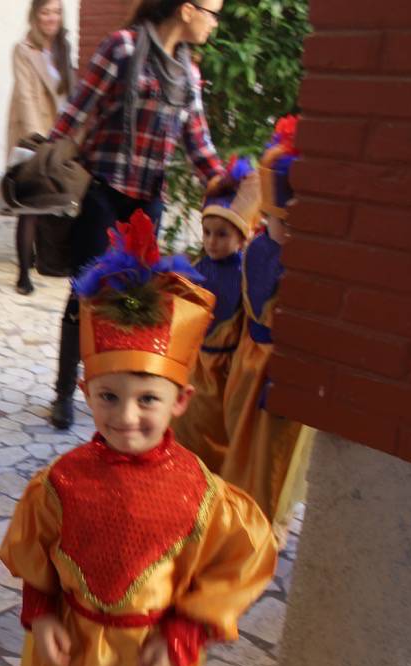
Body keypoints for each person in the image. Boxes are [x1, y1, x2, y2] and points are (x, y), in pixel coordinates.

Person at [0, 210, 278, 666]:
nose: (126, 417)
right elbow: (39, 551)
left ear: (181, 399)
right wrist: (44, 611)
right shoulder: (61, 481)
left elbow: (243, 559)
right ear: (85, 393)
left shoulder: (201, 493)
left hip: (151, 662)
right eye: (109, 396)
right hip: (76, 660)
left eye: (147, 398)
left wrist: (185, 632)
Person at [46, 0, 226, 429]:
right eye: (212, 12)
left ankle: (115, 388)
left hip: (147, 204)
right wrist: (45, 169)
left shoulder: (188, 74)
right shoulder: (122, 48)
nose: (214, 23)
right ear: (187, 9)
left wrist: (229, 187)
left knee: (131, 301)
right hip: (102, 194)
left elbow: (199, 146)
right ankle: (64, 391)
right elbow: (74, 114)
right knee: (85, 298)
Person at [222, 116, 313, 545]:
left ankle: (268, 517)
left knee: (276, 451)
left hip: (280, 367)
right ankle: (243, 508)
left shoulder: (298, 259)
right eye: (285, 225)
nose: (291, 235)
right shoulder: (260, 250)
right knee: (246, 440)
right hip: (255, 359)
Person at [172, 158, 260, 471]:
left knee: (212, 433)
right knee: (184, 425)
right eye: (207, 233)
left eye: (221, 235)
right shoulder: (197, 267)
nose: (211, 242)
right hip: (194, 363)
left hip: (223, 372)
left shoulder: (246, 276)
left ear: (242, 236)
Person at [7, 0, 76, 294]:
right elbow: (26, 97)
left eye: (57, 12)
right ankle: (23, 273)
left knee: (56, 200)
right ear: (35, 15)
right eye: (46, 12)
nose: (52, 18)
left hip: (61, 135)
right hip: (33, 134)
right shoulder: (24, 50)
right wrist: (38, 143)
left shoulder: (64, 48)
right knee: (29, 205)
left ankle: (51, 260)